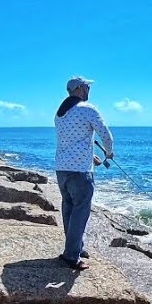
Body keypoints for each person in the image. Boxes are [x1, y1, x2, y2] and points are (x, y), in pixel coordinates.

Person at [54, 75, 113, 269]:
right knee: (80, 211)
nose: (89, 90)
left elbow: (72, 141)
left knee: (69, 208)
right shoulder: (88, 109)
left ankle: (75, 247)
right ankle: (71, 255)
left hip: (62, 168)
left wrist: (91, 156)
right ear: (79, 88)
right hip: (80, 171)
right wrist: (109, 152)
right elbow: (105, 133)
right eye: (87, 86)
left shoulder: (61, 113)